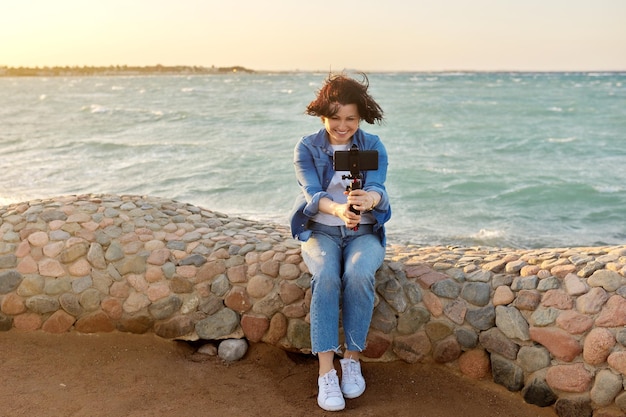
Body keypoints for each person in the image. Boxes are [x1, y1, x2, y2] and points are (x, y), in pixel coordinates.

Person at [289, 73, 391, 411]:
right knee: (327, 277)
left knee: (359, 273)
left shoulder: (372, 145)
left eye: (350, 118)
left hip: (363, 233)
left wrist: (368, 201)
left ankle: (351, 359)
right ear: (323, 115)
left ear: (359, 116)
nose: (343, 126)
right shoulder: (307, 147)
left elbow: (378, 186)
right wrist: (338, 208)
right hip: (321, 231)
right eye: (335, 118)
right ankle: (325, 373)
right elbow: (312, 193)